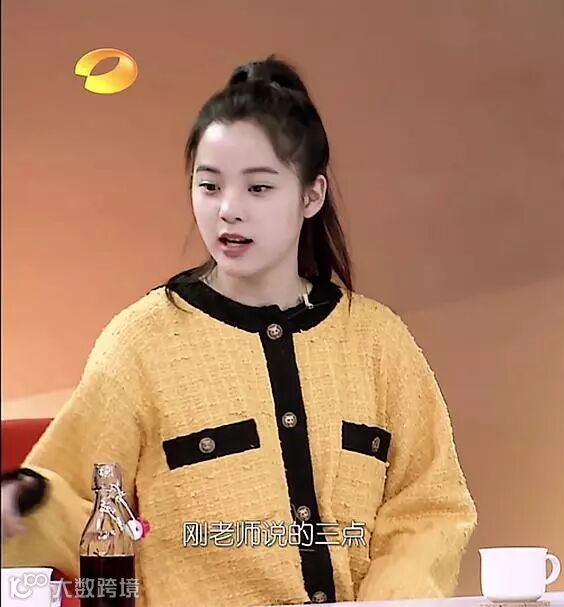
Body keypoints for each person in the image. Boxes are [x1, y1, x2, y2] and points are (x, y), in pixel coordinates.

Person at [0, 56, 478, 606]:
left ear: (311, 195)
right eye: (209, 186)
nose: (228, 210)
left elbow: (430, 507)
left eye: (258, 188)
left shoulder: (379, 341)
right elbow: (76, 499)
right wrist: (23, 501)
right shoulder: (141, 343)